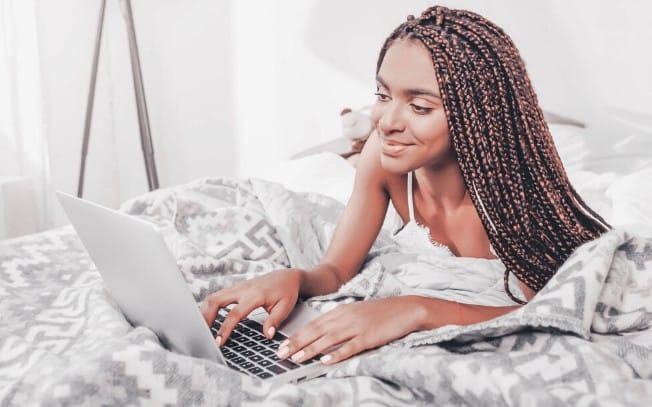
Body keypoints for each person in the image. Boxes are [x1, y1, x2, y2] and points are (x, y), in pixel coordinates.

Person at [200, 5, 609, 367]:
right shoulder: (381, 158)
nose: (388, 121)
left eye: (419, 106)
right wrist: (295, 279)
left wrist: (416, 310)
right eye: (382, 95)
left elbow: (547, 314)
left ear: (476, 117)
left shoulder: (512, 202)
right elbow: (337, 269)